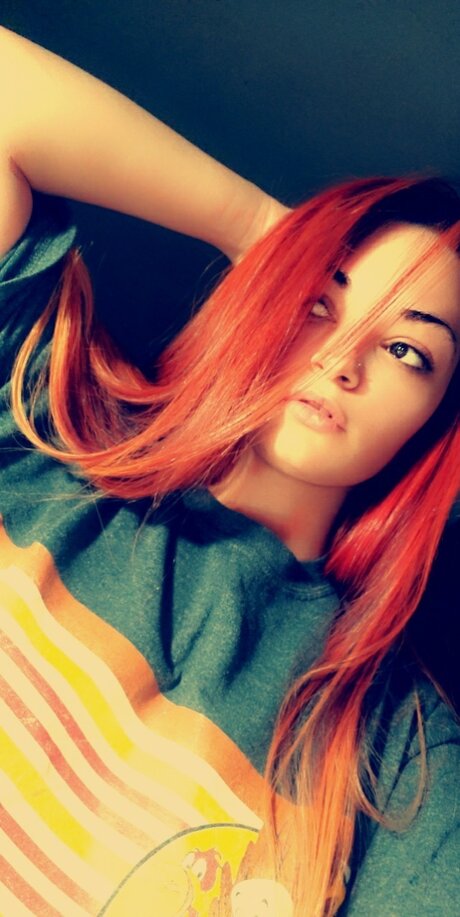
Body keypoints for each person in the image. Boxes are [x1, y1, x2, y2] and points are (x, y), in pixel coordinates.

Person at [0, 24, 459, 917]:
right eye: (321, 302)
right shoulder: (43, 438)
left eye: (408, 350)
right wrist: (261, 229)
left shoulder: (394, 759)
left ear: (437, 419)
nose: (342, 360)